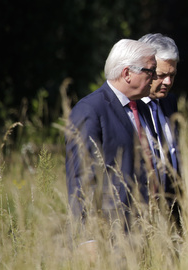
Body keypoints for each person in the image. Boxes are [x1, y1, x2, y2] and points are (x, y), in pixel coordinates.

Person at [66, 39, 158, 232]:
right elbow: (81, 177)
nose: (155, 77)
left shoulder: (142, 108)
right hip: (112, 232)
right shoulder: (90, 109)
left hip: (147, 230)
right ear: (127, 74)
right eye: (150, 71)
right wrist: (87, 236)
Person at [137, 33, 182, 232]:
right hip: (138, 217)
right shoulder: (128, 108)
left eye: (172, 75)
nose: (167, 82)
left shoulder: (170, 103)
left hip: (173, 215)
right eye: (161, 75)